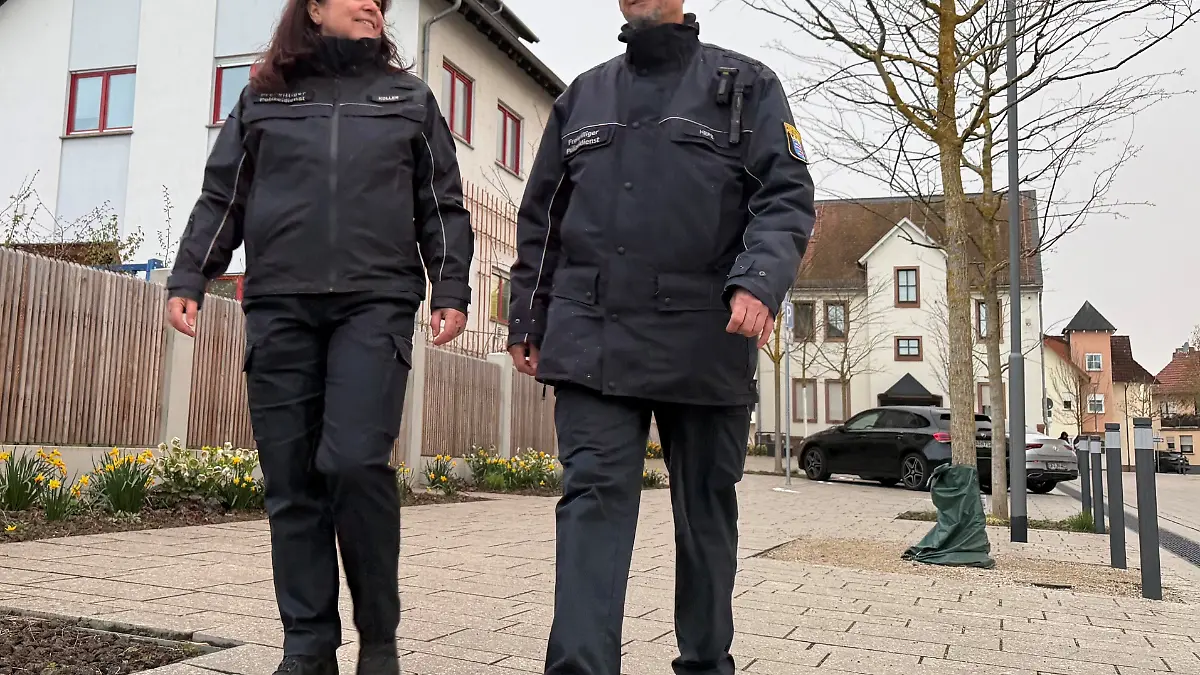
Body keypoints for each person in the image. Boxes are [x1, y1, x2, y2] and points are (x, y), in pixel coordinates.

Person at [164, 1, 474, 673]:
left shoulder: (408, 99)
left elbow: (441, 202)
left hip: (375, 304)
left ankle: (379, 638)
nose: (372, 5)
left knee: (354, 461)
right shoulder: (263, 97)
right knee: (292, 481)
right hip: (279, 306)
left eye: (381, 2)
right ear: (313, 7)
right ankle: (307, 648)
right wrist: (191, 274)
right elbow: (224, 195)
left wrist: (450, 285)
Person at [505, 2, 815, 674]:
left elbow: (786, 194)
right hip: (593, 339)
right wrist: (527, 315)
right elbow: (542, 217)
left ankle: (705, 662)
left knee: (705, 513)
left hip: (706, 336)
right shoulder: (581, 98)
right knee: (590, 504)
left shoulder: (749, 87)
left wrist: (759, 280)